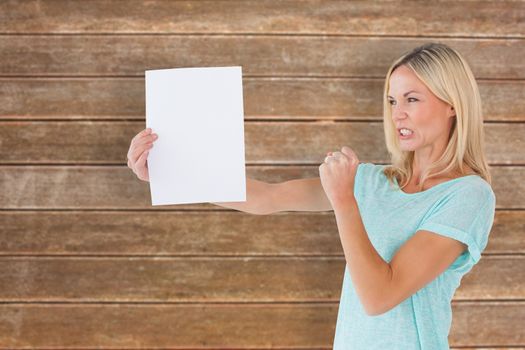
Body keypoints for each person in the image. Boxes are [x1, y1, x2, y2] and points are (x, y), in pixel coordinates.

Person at [126, 42, 496, 349]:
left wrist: (344, 201)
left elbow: (379, 296)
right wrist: (170, 172)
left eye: (412, 99)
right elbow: (266, 198)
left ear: (452, 105)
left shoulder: (468, 195)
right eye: (392, 101)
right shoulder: (371, 181)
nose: (398, 114)